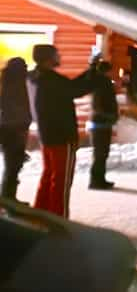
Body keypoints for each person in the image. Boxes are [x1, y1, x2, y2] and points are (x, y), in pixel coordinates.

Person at [32, 45, 95, 218]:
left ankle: (40, 215)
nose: (59, 57)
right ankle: (59, 220)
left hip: (46, 135)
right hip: (61, 136)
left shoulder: (35, 77)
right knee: (61, 182)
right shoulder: (52, 80)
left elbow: (71, 86)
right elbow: (76, 89)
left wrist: (90, 70)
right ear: (48, 59)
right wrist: (94, 71)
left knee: (48, 177)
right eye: (56, 54)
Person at [0, 58, 32, 202]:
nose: (26, 69)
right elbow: (17, 109)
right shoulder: (15, 85)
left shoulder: (7, 82)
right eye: (24, 66)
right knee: (13, 164)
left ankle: (8, 196)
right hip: (14, 128)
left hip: (12, 127)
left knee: (13, 163)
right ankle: (8, 197)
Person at [88, 60, 118, 190]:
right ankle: (96, 181)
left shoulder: (100, 82)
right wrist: (109, 115)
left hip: (102, 122)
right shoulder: (102, 83)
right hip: (101, 123)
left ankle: (100, 179)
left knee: (102, 153)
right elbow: (98, 104)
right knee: (100, 153)